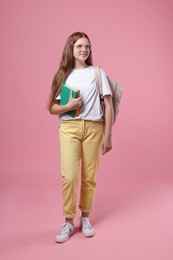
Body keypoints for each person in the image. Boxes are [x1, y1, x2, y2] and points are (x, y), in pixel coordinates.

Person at [48, 32, 113, 243]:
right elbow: (52, 107)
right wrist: (68, 106)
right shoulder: (63, 74)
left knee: (89, 176)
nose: (84, 49)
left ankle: (85, 217)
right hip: (69, 127)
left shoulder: (97, 72)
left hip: (94, 128)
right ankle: (68, 221)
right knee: (69, 175)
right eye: (79, 46)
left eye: (87, 46)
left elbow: (109, 104)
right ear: (71, 48)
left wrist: (108, 136)